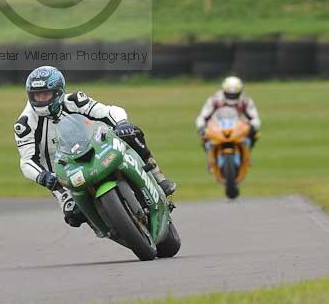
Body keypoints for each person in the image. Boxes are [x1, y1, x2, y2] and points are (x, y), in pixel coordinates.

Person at [14, 65, 176, 228]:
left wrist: (122, 123)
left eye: (45, 94)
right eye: (36, 95)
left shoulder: (75, 101)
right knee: (74, 216)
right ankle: (115, 228)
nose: (40, 99)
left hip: (94, 149)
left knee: (132, 133)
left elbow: (108, 111)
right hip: (61, 175)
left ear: (58, 92)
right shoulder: (25, 124)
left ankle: (157, 175)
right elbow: (26, 161)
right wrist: (43, 176)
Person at [195, 75, 261, 148]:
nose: (232, 96)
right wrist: (202, 128)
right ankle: (211, 157)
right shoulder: (215, 99)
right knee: (205, 139)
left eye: (234, 94)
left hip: (239, 130)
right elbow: (203, 116)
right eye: (229, 94)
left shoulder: (245, 100)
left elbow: (255, 118)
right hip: (217, 129)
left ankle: (245, 157)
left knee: (254, 135)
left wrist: (252, 127)